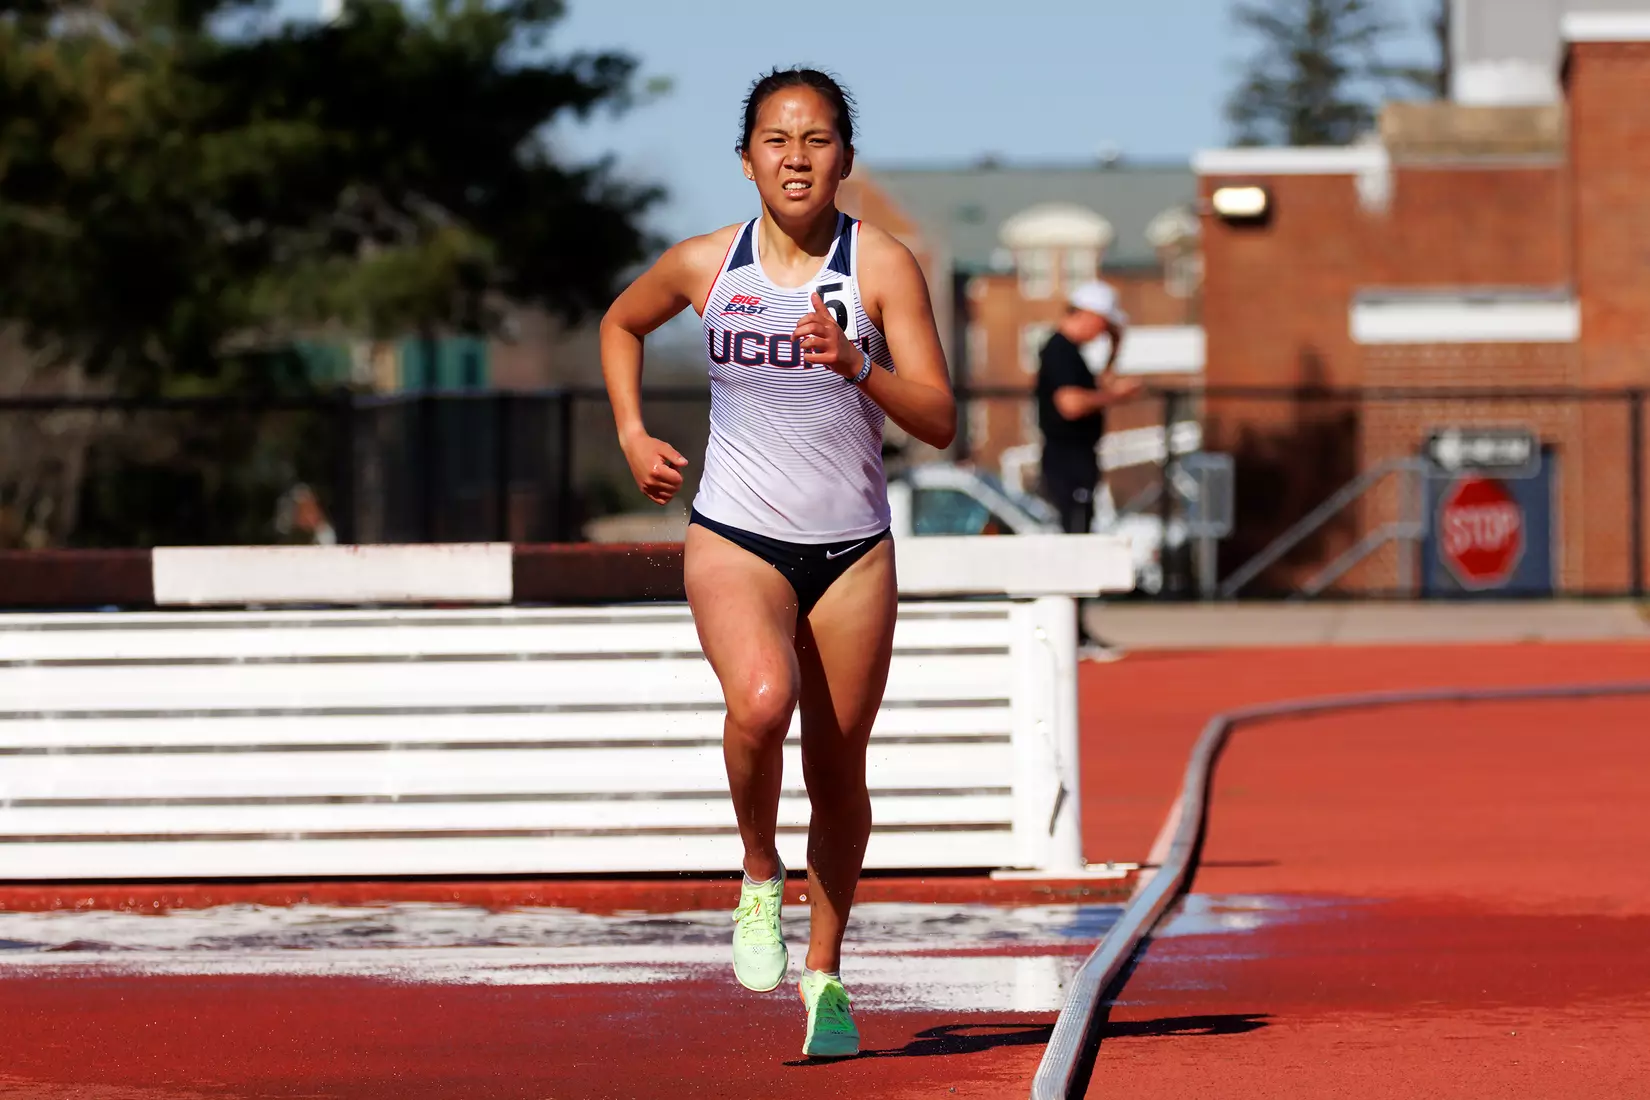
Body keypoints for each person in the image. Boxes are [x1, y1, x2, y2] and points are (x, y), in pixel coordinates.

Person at [599, 67, 955, 1059]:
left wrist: (858, 365)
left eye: (817, 138)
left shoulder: (881, 265)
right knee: (761, 698)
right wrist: (632, 431)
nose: (796, 156)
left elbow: (939, 417)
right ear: (749, 155)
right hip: (736, 535)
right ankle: (759, 874)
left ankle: (827, 976)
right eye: (776, 138)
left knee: (839, 770)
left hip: (852, 550)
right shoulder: (707, 262)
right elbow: (620, 322)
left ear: (845, 155)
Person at [1036, 280, 1141, 659]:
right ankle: (1071, 633)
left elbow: (1097, 384)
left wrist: (1116, 345)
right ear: (1090, 315)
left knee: (1078, 539)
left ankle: (1075, 630)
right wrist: (1118, 396)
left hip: (1076, 460)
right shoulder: (1060, 350)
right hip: (1067, 461)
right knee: (1073, 544)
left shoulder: (1073, 353)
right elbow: (1070, 404)